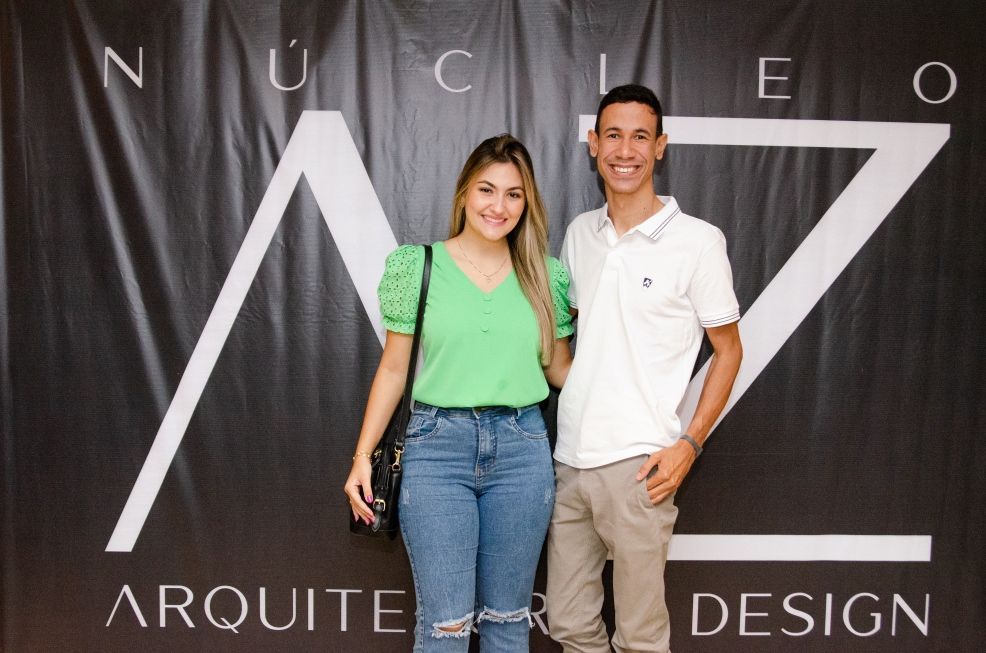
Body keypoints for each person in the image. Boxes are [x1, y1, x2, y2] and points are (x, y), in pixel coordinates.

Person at [343, 134, 574, 652]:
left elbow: (561, 371)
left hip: (522, 449)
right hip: (435, 449)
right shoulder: (417, 265)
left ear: (528, 202)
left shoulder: (547, 276)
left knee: (509, 621)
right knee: (444, 625)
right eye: (487, 190)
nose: (499, 206)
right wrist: (362, 456)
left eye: (514, 194)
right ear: (464, 193)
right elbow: (394, 369)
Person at [546, 84, 744, 652]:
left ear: (660, 147)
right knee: (570, 626)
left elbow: (728, 350)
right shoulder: (581, 233)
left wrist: (689, 444)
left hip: (639, 468)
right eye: (613, 135)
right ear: (593, 144)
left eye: (639, 136)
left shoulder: (698, 242)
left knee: (639, 636)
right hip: (569, 460)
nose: (624, 150)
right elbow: (575, 343)